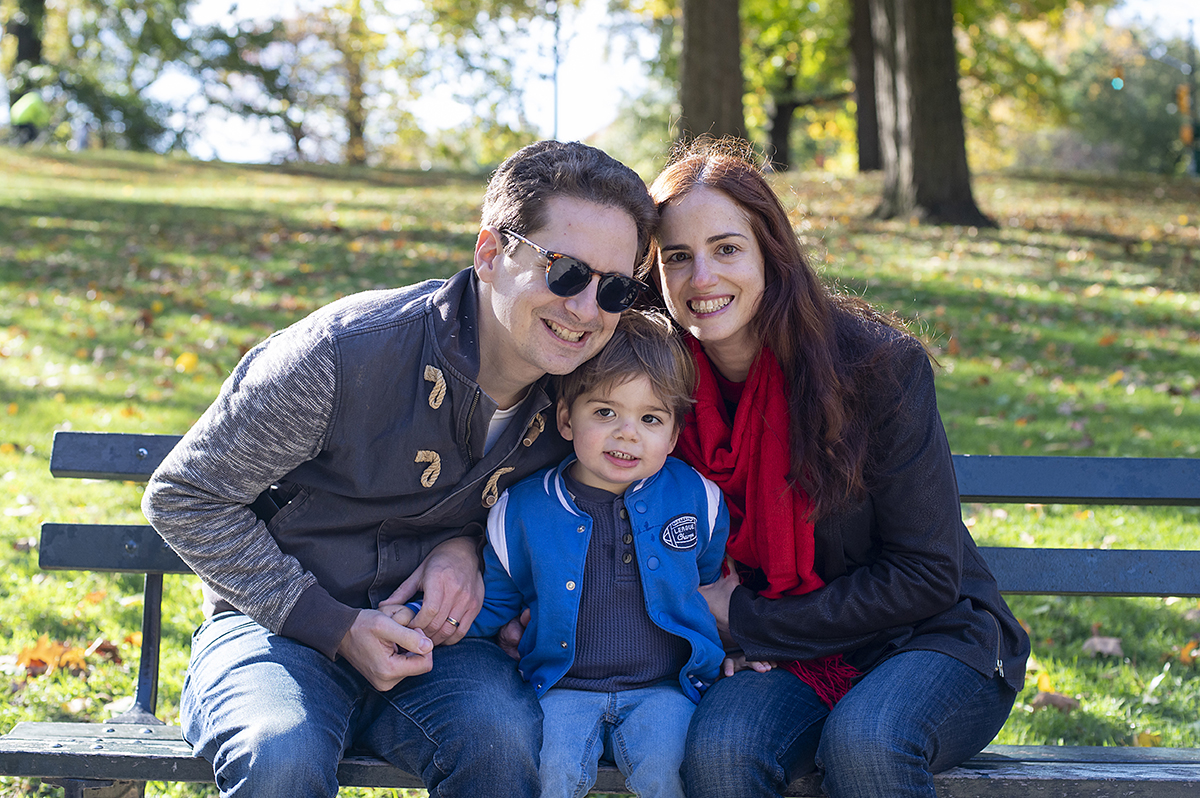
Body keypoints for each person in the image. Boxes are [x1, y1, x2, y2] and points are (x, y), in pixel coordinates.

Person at [141, 140, 657, 798]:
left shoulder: (593, 398)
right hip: (277, 630)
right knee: (281, 757)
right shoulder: (345, 353)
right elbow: (185, 495)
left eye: (613, 288)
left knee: (502, 750)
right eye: (563, 272)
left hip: (448, 652)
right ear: (490, 254)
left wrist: (468, 545)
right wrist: (334, 625)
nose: (585, 309)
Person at [643, 138, 1030, 798]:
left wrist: (753, 622)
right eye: (677, 257)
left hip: (927, 640)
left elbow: (927, 575)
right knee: (722, 750)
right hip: (779, 654)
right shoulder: (650, 388)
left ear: (773, 255)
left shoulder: (876, 370)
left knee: (868, 743)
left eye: (727, 249)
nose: (701, 278)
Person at [447, 310, 730, 798]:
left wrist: (745, 644)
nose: (627, 433)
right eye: (605, 412)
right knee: (547, 775)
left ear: (674, 435)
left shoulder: (698, 499)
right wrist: (427, 623)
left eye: (650, 418)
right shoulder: (523, 509)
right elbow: (494, 602)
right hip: (562, 688)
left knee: (672, 772)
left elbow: (708, 587)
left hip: (664, 688)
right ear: (566, 419)